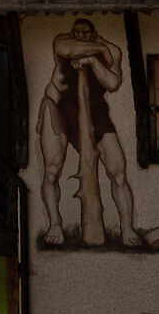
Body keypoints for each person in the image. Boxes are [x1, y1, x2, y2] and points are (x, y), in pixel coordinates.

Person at [37, 18, 140, 247]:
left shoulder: (110, 50)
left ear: (94, 33)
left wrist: (94, 60)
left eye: (85, 33)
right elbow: (68, 48)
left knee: (118, 171)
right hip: (59, 108)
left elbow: (112, 83)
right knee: (52, 169)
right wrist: (99, 48)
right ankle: (55, 223)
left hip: (95, 112)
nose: (80, 37)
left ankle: (127, 227)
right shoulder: (62, 41)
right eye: (77, 32)